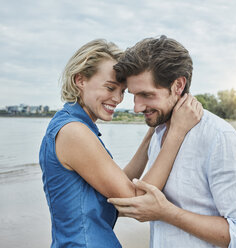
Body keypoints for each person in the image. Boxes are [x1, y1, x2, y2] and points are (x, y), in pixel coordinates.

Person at [39, 39, 202, 247]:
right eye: (110, 88)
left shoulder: (71, 124)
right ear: (80, 80)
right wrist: (177, 132)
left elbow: (119, 188)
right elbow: (135, 198)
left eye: (122, 91)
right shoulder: (73, 132)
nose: (117, 98)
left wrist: (154, 129)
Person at [109, 35, 236, 247]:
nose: (137, 107)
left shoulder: (219, 139)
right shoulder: (157, 134)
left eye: (146, 95)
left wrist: (167, 213)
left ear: (178, 85)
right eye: (134, 95)